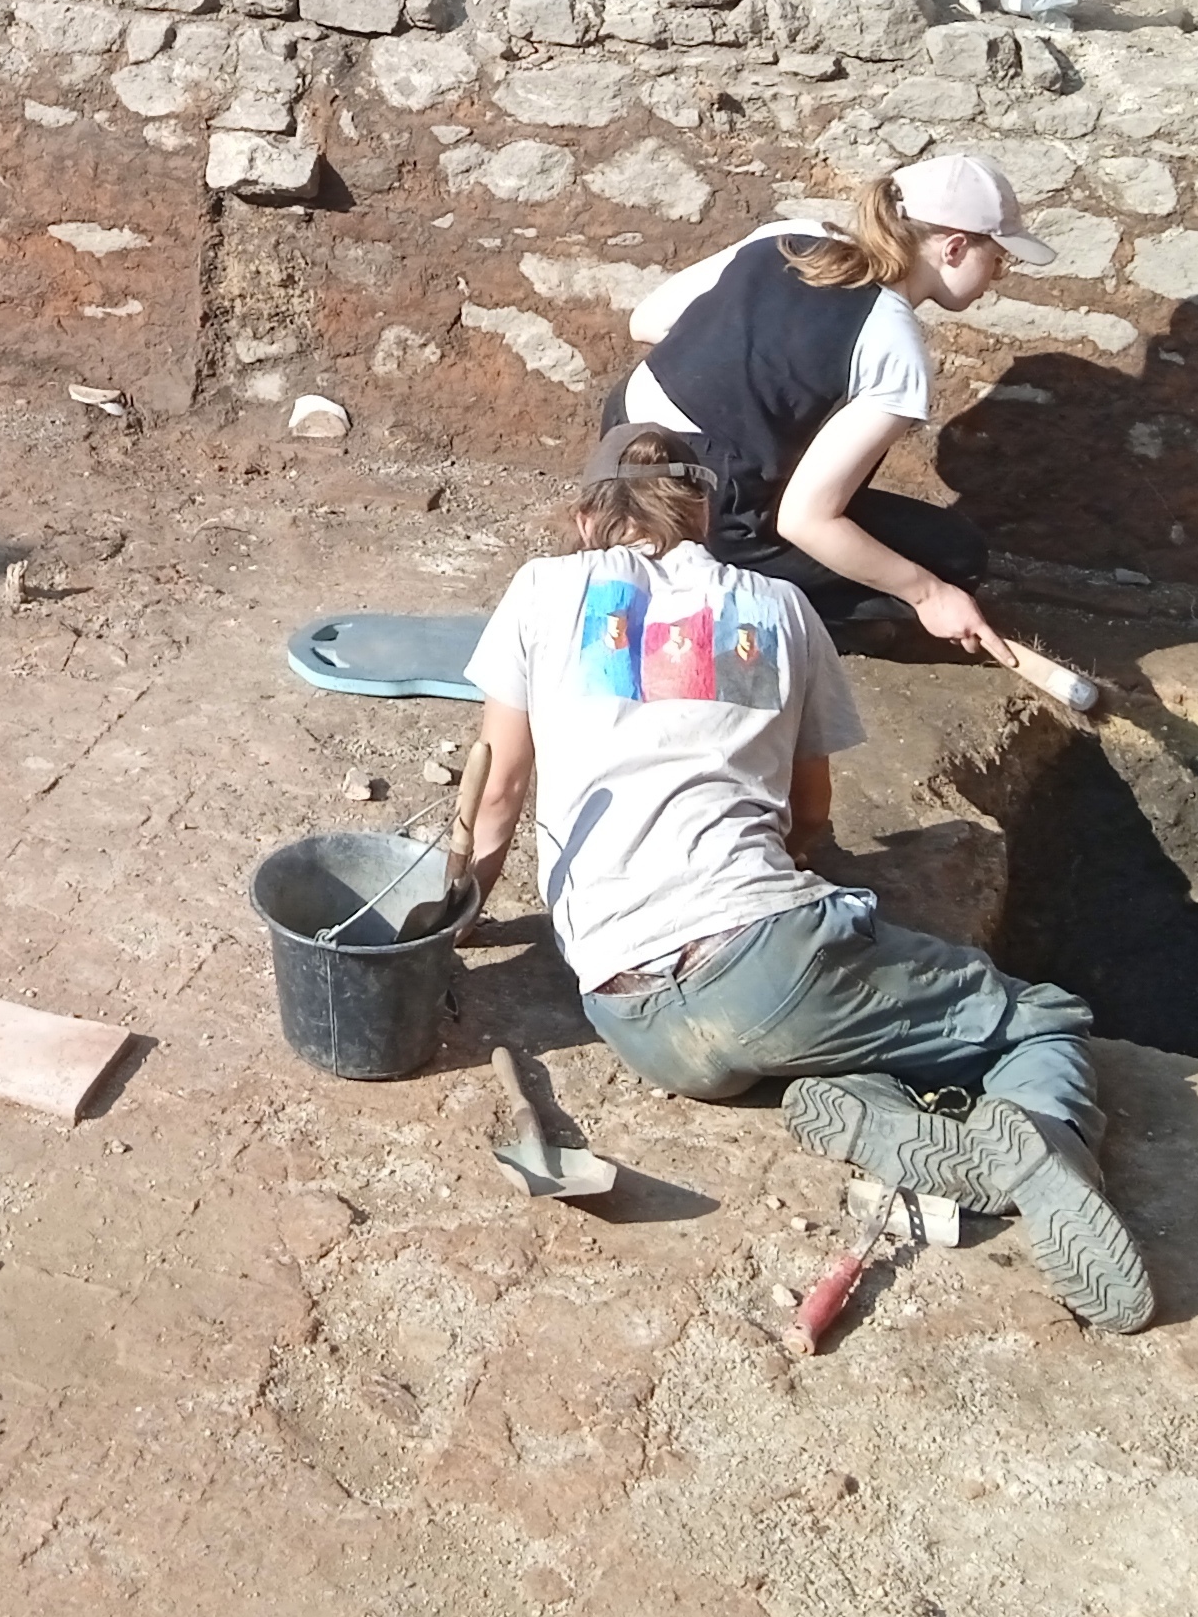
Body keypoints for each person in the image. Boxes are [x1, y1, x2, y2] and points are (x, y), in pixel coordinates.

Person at [460, 423, 1154, 1334]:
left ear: (590, 515)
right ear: (703, 514)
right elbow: (811, 817)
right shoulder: (781, 610)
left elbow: (499, 784)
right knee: (1042, 1019)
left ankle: (883, 1111)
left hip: (636, 1022)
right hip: (769, 962)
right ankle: (1043, 1144)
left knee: (824, 1030)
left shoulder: (542, 589)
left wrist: (457, 915)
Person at [616, 156, 1043, 647]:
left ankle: (648, 539)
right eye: (998, 258)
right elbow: (805, 518)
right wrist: (929, 595)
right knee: (955, 558)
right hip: (709, 506)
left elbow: (647, 322)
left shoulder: (791, 235)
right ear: (954, 248)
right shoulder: (895, 346)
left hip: (623, 447)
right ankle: (717, 603)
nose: (998, 277)